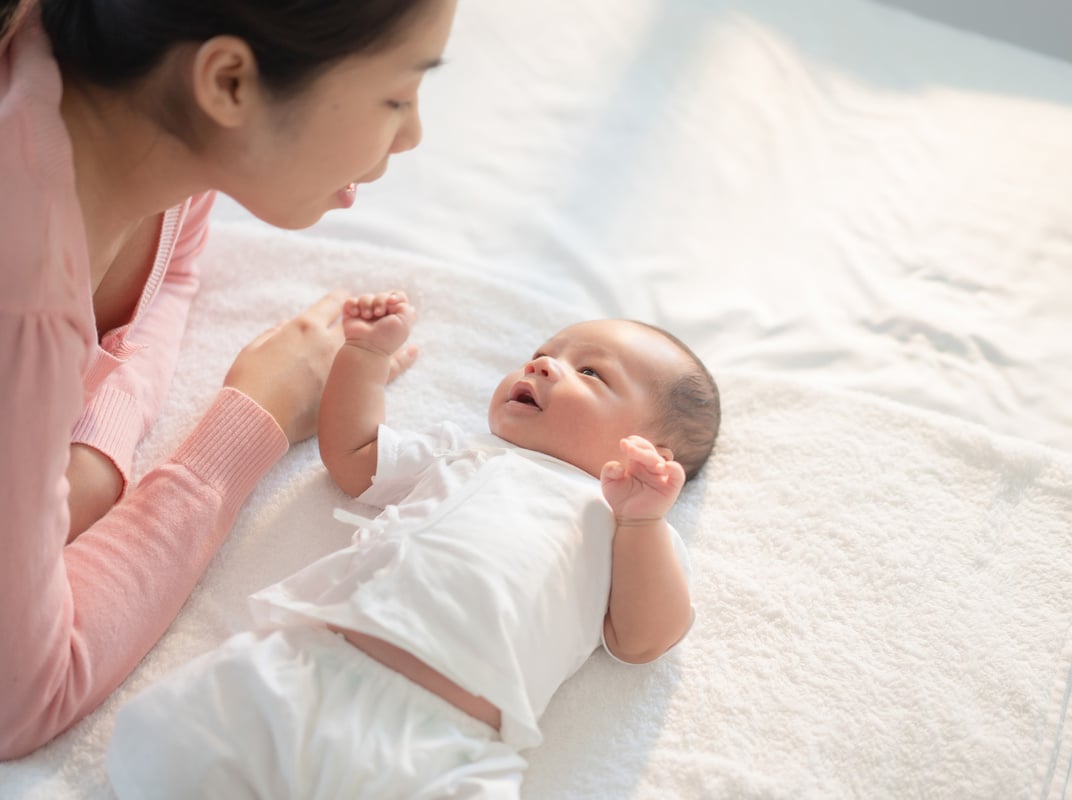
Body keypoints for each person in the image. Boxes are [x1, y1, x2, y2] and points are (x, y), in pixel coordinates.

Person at [0, 0, 458, 759]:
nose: (412, 136)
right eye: (397, 96)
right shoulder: (25, 293)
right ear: (231, 82)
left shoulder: (130, 107)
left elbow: (167, 273)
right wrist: (253, 416)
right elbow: (18, 698)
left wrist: (88, 463)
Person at [105, 294, 722, 799]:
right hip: (306, 668)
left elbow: (643, 641)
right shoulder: (467, 450)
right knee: (172, 742)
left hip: (443, 742)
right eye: (540, 355)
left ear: (649, 455)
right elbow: (354, 458)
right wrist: (364, 358)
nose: (539, 366)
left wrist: (641, 522)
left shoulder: (632, 526)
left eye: (589, 372)